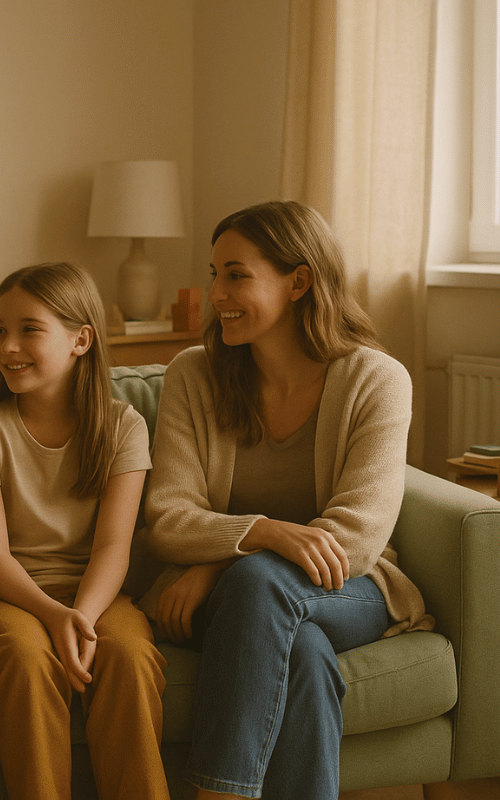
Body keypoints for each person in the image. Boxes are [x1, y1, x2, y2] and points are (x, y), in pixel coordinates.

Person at [140, 200, 434, 799]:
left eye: (237, 274)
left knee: (259, 586)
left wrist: (218, 558)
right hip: (249, 601)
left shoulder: (377, 380)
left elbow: (355, 539)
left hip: (346, 589)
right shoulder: (193, 375)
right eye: (215, 273)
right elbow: (167, 518)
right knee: (302, 653)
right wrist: (267, 532)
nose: (217, 292)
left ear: (298, 281)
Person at [0, 262, 170, 800]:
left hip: (92, 589)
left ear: (81, 339)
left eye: (30, 329)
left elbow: (114, 546)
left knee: (131, 657)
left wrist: (84, 619)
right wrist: (53, 616)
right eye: (1, 329)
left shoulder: (124, 425)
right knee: (28, 659)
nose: (8, 346)